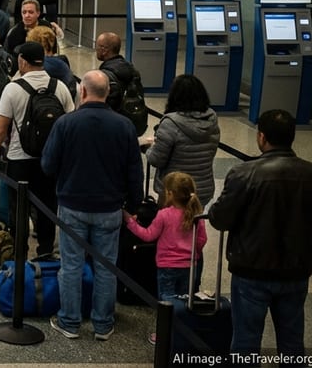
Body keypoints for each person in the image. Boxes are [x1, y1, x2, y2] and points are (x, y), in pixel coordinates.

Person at [41, 70, 143, 341]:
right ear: (107, 93)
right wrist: (134, 205)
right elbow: (135, 171)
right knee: (106, 268)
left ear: (82, 91)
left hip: (72, 205)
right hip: (110, 208)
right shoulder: (124, 126)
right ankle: (103, 324)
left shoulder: (65, 123)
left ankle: (70, 322)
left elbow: (48, 165)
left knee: (71, 265)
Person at [208, 109, 312, 361]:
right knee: (292, 339)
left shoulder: (244, 174)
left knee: (246, 339)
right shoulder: (308, 173)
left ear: (262, 137)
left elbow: (220, 219)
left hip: (251, 269)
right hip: (296, 269)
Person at [0, 41, 75, 258]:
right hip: (50, 159)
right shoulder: (59, 87)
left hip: (19, 158)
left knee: (19, 208)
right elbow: (70, 121)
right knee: (47, 206)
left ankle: (20, 252)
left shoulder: (13, 88)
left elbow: (1, 126)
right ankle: (45, 251)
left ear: (22, 62)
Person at [123, 171, 206, 344]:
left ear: (170, 194)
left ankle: (164, 333)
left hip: (166, 266)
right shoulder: (197, 215)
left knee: (166, 300)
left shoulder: (164, 215)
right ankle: (183, 332)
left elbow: (148, 235)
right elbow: (201, 240)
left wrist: (131, 222)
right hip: (189, 265)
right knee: (185, 300)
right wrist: (194, 254)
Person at [145, 74, 219, 206]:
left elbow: (156, 160)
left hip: (174, 191)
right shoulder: (212, 121)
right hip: (202, 190)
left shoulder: (170, 124)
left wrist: (150, 148)